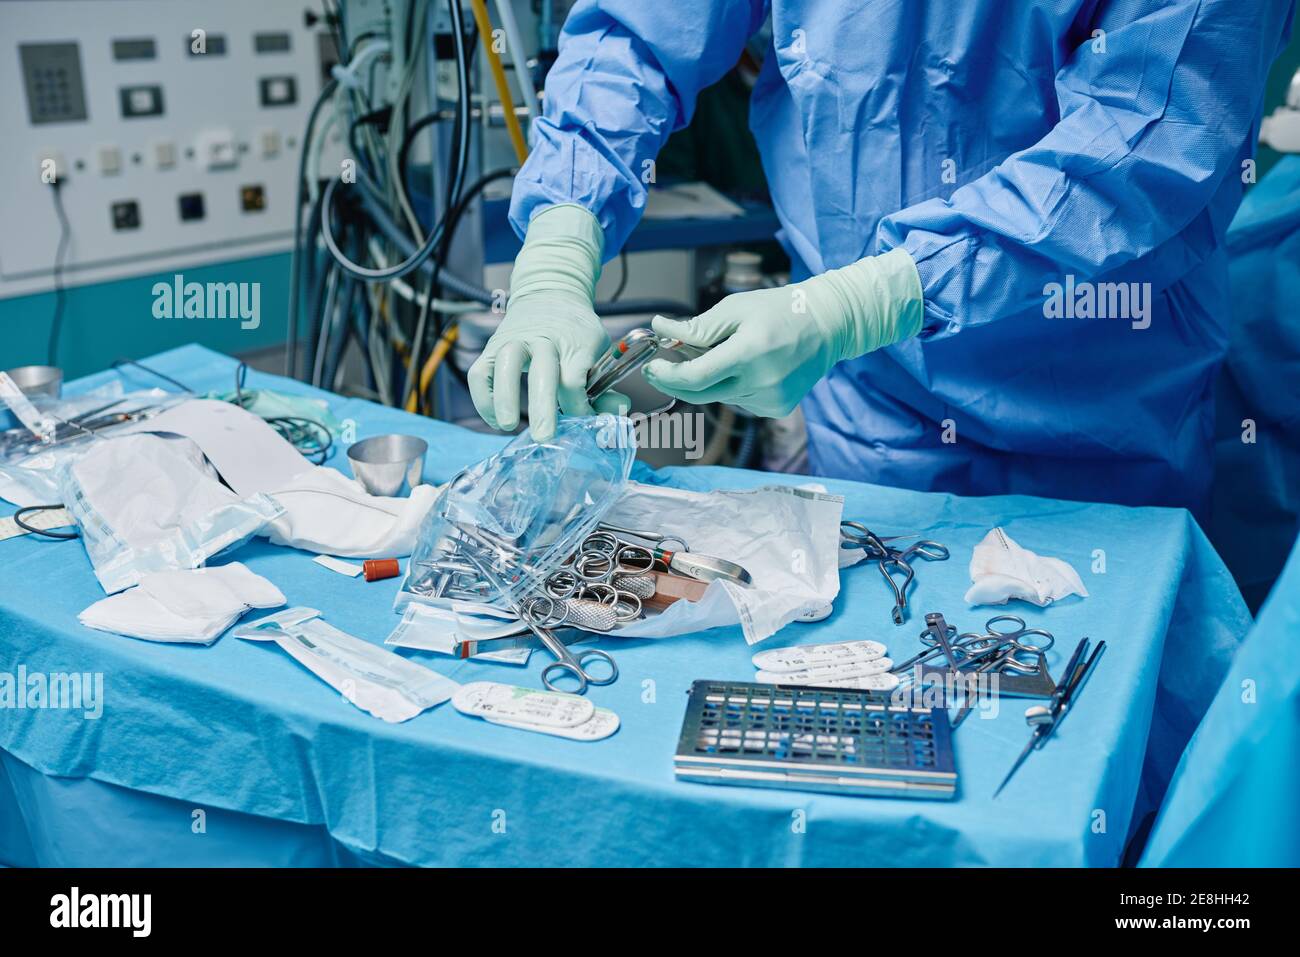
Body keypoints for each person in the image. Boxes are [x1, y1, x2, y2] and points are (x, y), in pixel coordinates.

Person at [468, 0, 1295, 515]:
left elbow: (1140, 142)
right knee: (867, 694)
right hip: (874, 403)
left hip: (1102, 413)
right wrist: (557, 250)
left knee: (1084, 736)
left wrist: (861, 302)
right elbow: (639, 36)